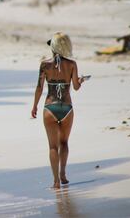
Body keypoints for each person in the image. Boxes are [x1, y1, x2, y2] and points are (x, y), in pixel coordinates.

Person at [31, 33, 85, 189]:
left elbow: (39, 88)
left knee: (53, 147)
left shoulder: (45, 64)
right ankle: (63, 174)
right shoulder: (72, 64)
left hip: (50, 107)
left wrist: (34, 106)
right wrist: (80, 80)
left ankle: (56, 182)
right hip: (67, 108)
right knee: (64, 142)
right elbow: (75, 87)